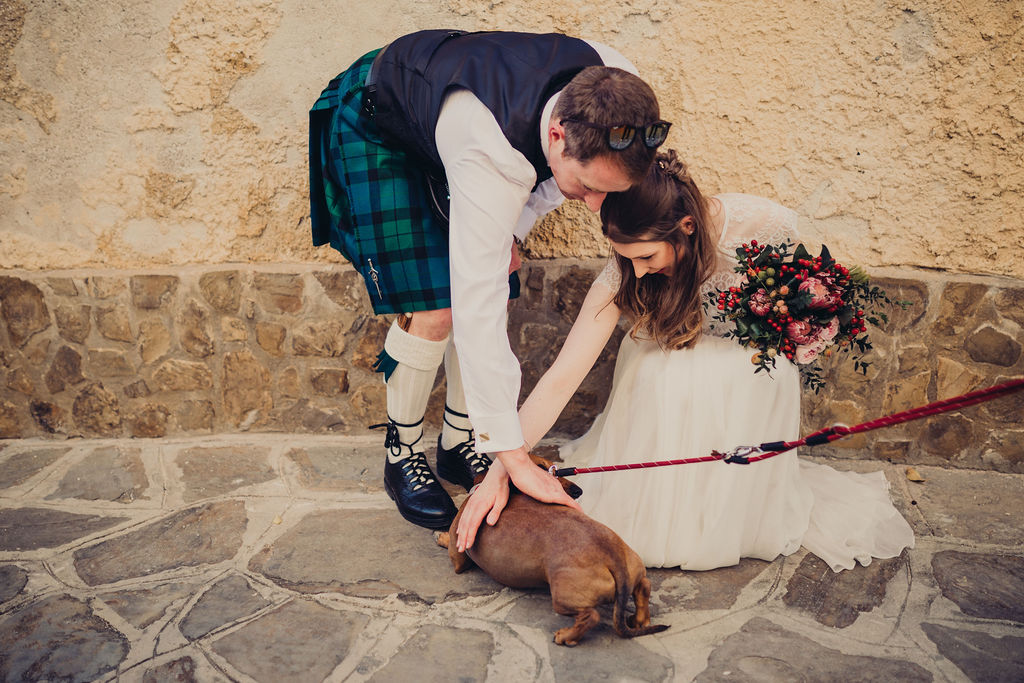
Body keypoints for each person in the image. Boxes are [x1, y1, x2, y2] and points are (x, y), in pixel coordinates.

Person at [456, 149, 915, 572]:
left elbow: (809, 295)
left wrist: (803, 326)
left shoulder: (761, 226)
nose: (636, 270)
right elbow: (563, 375)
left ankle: (732, 513)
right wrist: (504, 467)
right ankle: (669, 510)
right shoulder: (625, 269)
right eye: (626, 258)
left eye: (645, 256)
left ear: (687, 228)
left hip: (747, 361)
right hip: (671, 352)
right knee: (665, 374)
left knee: (755, 374)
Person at [308, 30, 670, 530]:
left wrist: (512, 234)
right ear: (558, 137)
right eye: (587, 187)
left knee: (501, 275)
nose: (592, 204)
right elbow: (474, 303)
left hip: (456, 114)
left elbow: (545, 184)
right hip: (379, 118)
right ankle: (402, 452)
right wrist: (513, 456)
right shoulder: (489, 151)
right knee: (440, 309)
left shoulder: (617, 93)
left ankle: (460, 444)